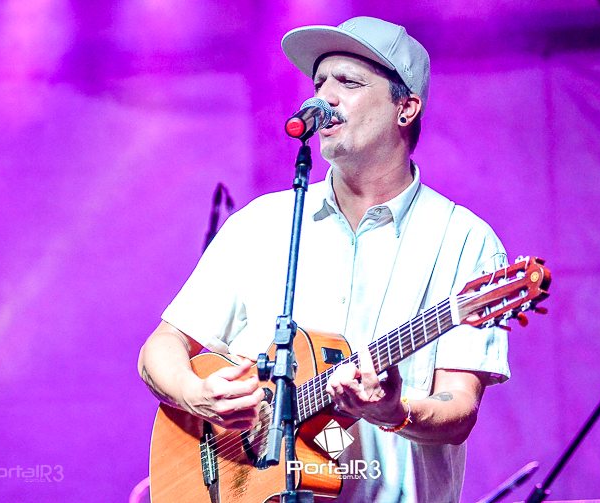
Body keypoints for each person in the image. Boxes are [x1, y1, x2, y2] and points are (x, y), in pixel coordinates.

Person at [138, 16, 510, 502]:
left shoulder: (465, 240)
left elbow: (458, 409)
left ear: (406, 108)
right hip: (263, 486)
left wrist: (395, 412)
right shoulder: (262, 222)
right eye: (319, 83)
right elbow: (162, 346)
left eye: (349, 83)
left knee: (340, 432)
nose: (325, 97)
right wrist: (196, 395)